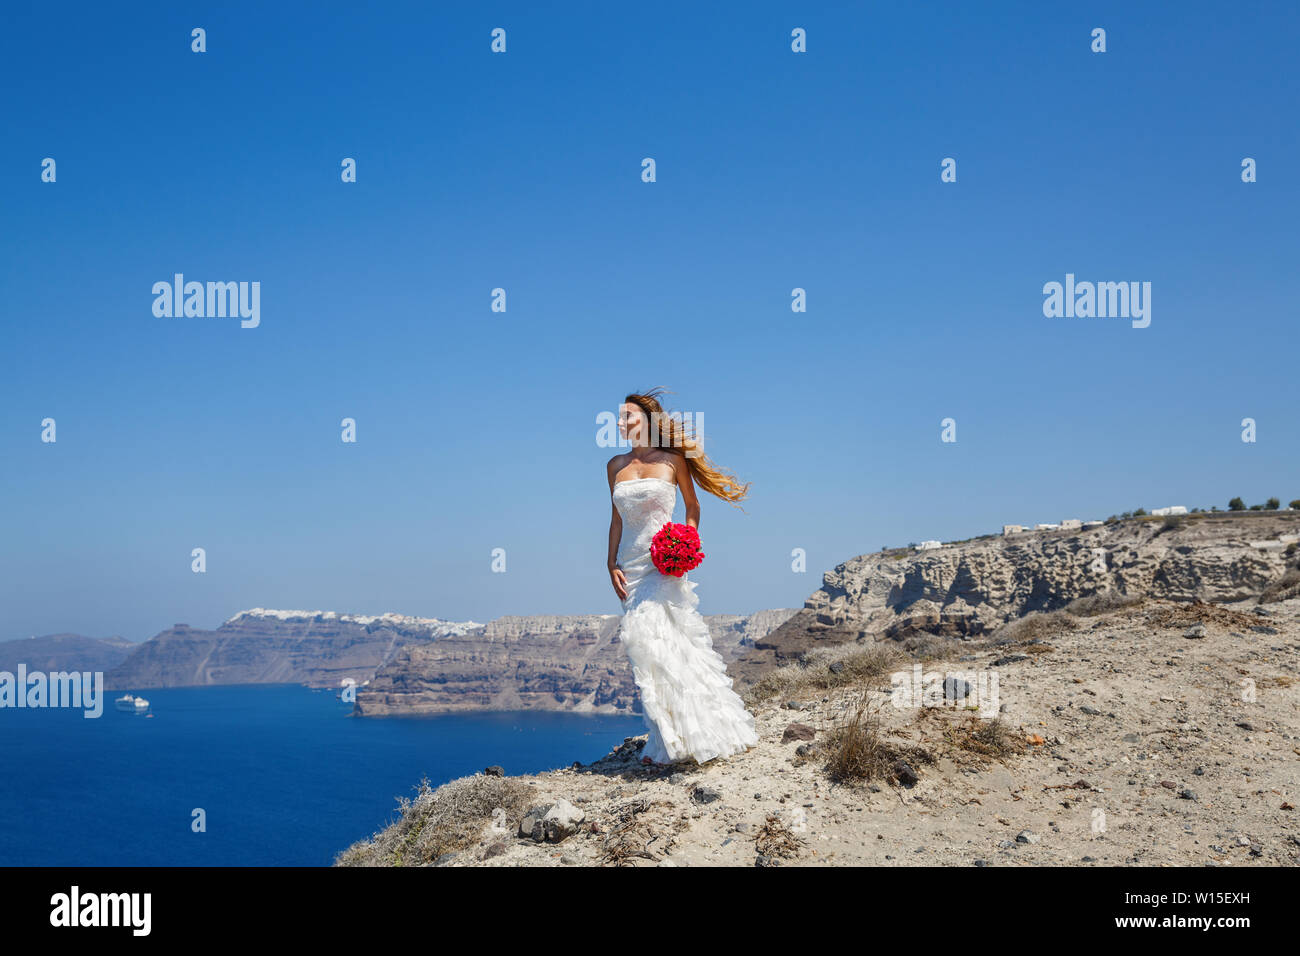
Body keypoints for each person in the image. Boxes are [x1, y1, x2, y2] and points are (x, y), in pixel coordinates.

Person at [606, 387, 760, 766]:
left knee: (667, 640)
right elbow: (616, 519)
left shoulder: (673, 460)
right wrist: (610, 563)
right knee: (645, 649)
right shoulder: (614, 466)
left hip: (664, 562)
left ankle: (701, 731)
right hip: (632, 565)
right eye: (620, 417)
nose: (622, 423)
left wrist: (687, 540)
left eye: (629, 416)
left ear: (648, 421)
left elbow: (692, 506)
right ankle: (667, 738)